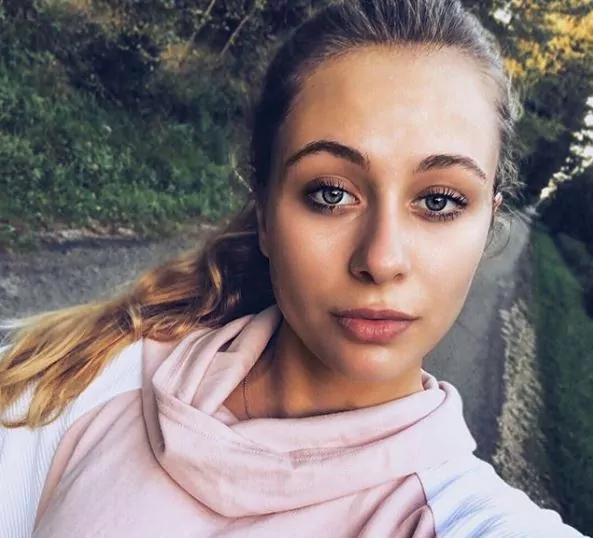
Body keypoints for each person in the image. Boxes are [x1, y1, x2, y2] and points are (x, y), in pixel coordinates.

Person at [0, 0, 588, 536]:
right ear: (264, 210)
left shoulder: (467, 519)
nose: (381, 260)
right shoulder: (79, 376)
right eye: (331, 193)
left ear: (488, 222)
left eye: (439, 201)